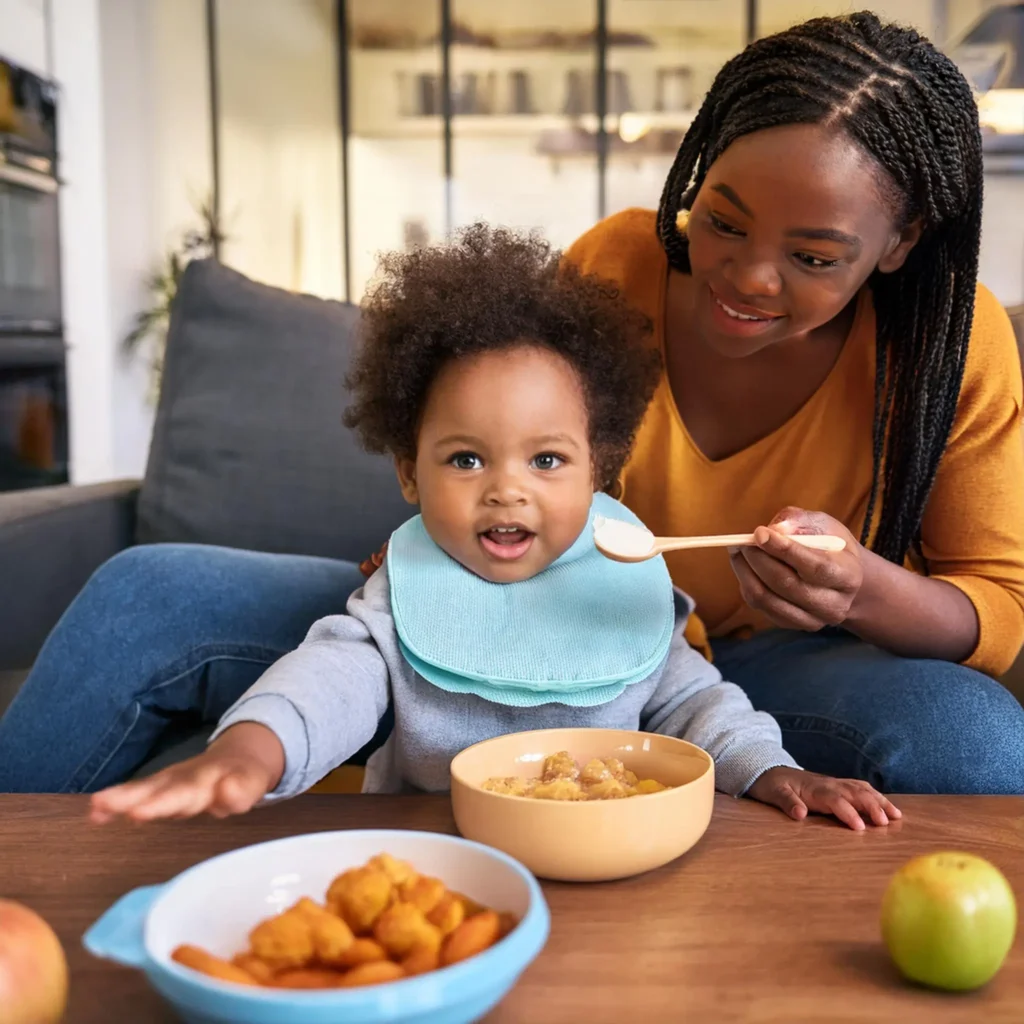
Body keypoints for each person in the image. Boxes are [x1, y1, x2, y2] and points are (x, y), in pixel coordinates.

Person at [2, 12, 1022, 796]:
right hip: (527, 619)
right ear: (698, 172)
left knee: (969, 734)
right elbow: (505, 463)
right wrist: (429, 545)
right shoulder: (614, 268)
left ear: (898, 242)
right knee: (145, 593)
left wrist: (861, 592)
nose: (746, 279)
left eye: (811, 258)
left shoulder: (951, 346)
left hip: (777, 668)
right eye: (721, 221)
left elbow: (999, 607)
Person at [88, 225, 897, 830]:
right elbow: (326, 683)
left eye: (547, 462)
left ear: (599, 468)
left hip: (603, 864)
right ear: (409, 470)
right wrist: (247, 754)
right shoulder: (401, 597)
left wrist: (776, 773)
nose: (507, 493)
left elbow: (697, 706)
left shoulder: (624, 579)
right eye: (467, 460)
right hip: (435, 858)